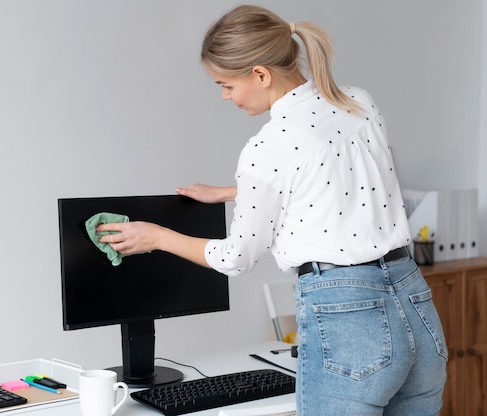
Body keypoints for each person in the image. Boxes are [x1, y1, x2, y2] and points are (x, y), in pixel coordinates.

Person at [97, 5, 447, 415]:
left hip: (348, 313)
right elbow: (345, 183)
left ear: (260, 74)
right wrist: (236, 192)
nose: (226, 97)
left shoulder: (270, 145)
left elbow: (236, 257)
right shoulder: (357, 101)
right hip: (413, 300)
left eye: (225, 85)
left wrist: (157, 237)